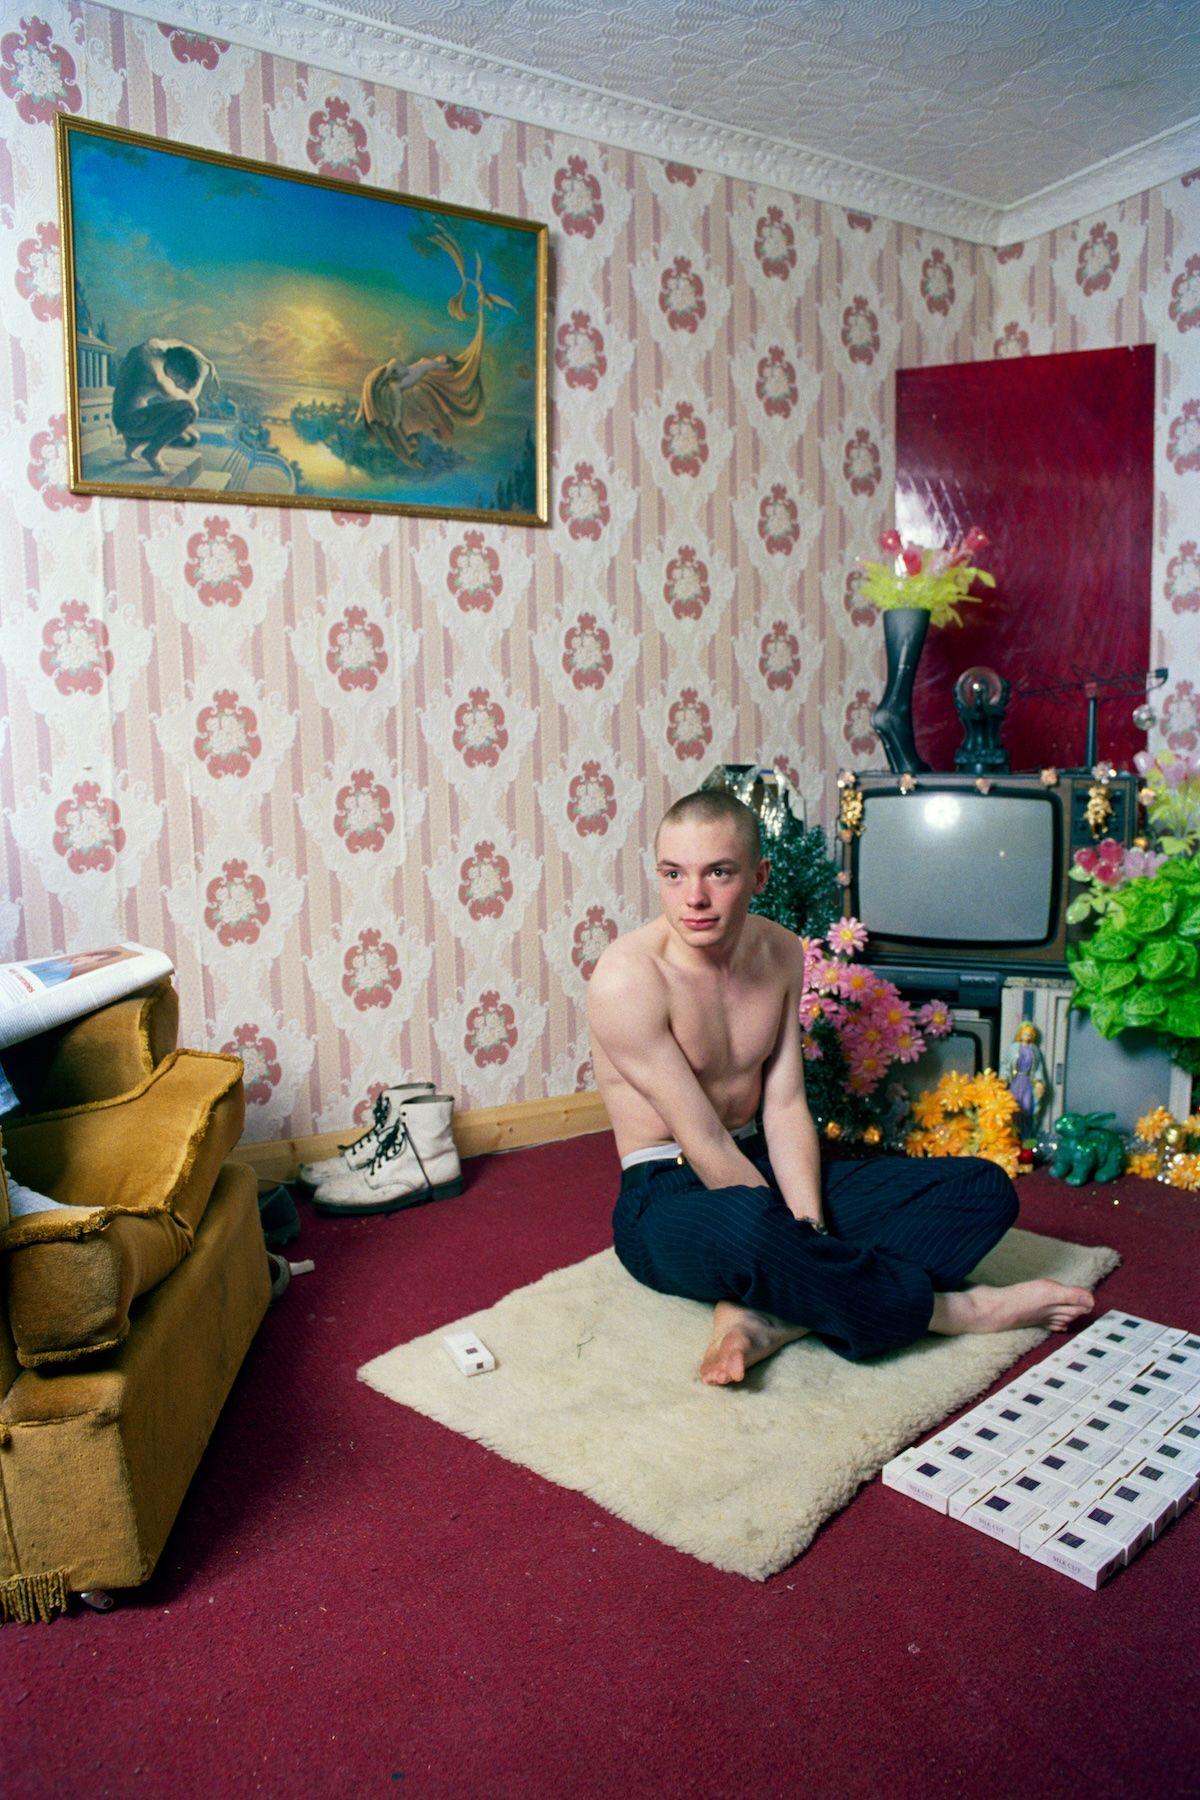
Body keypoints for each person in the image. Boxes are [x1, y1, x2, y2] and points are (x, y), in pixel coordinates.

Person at [587, 789, 1093, 1387]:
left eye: (718, 873)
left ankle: (774, 1311)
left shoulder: (778, 951)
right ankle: (952, 1311)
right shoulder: (627, 979)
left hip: (760, 1161)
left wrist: (809, 1232)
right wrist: (789, 1232)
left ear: (758, 876)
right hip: (668, 1195)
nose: (693, 897)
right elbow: (702, 1140)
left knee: (983, 1190)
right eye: (674, 874)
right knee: (750, 1229)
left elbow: (783, 1104)